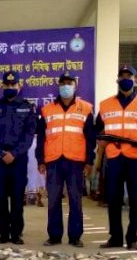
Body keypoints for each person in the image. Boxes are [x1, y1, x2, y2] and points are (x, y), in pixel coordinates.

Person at [95, 65, 137, 250]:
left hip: (135, 157)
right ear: (117, 80)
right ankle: (115, 237)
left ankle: (132, 238)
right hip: (114, 157)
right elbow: (96, 128)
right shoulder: (106, 104)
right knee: (113, 199)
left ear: (135, 80)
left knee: (135, 199)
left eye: (129, 75)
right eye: (122, 76)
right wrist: (100, 140)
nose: (125, 78)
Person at [36, 72, 96, 247]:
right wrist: (40, 159)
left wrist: (89, 161)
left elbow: (90, 138)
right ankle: (54, 236)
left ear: (75, 85)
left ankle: (75, 236)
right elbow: (41, 138)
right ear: (58, 85)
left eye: (69, 83)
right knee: (53, 199)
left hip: (75, 161)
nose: (66, 86)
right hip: (53, 161)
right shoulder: (47, 110)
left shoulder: (85, 108)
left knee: (75, 199)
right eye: (63, 83)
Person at [0, 71, 37, 244]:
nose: (10, 87)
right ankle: (3, 232)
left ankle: (16, 234)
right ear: (2, 86)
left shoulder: (27, 107)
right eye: (7, 85)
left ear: (19, 86)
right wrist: (1, 154)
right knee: (0, 198)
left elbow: (29, 135)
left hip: (19, 160)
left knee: (16, 198)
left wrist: (14, 153)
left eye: (13, 85)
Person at [26, 137, 46, 206]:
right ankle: (28, 197)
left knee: (37, 172)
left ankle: (37, 198)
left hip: (36, 141)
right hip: (28, 142)